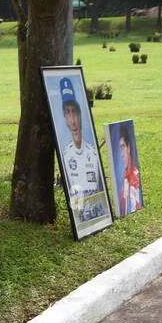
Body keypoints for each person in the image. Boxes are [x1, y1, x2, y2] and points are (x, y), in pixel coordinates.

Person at [58, 78, 105, 221]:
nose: (72, 120)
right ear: (65, 117)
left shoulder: (92, 152)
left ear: (80, 114)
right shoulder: (66, 155)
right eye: (68, 113)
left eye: (74, 112)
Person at [114, 121, 143, 216]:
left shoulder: (134, 180)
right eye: (119, 149)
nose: (121, 154)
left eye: (122, 147)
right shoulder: (124, 176)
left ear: (128, 148)